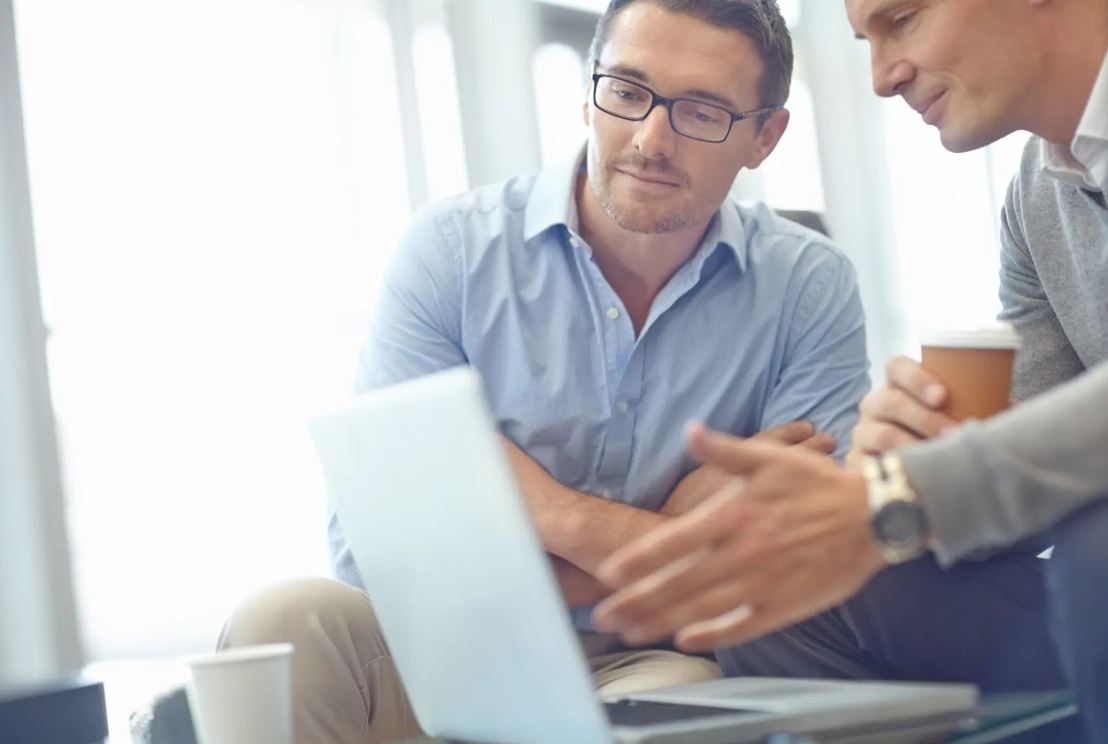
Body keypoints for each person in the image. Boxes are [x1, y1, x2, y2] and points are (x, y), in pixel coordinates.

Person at [217, 2, 873, 742]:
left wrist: (521, 502)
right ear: (588, 90)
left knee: (682, 703)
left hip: (647, 657)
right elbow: (383, 553)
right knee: (284, 622)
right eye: (626, 91)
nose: (650, 140)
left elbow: (792, 559)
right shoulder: (451, 252)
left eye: (701, 112)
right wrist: (663, 532)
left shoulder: (808, 287)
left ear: (765, 137)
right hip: (434, 650)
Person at [594, 0, 1108, 741]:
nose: (881, 77)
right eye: (866, 38)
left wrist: (912, 489)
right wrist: (905, 456)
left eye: (903, 18)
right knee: (787, 584)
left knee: (1095, 553)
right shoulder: (1038, 194)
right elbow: (1017, 487)